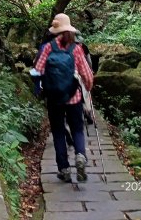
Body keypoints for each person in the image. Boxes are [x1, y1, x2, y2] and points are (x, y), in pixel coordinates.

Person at [34, 13, 94, 183]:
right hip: (73, 97)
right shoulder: (76, 49)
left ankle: (64, 169)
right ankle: (80, 156)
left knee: (59, 132)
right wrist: (88, 89)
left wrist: (38, 88)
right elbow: (87, 75)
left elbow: (37, 70)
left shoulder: (47, 48)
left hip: (54, 98)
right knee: (77, 129)